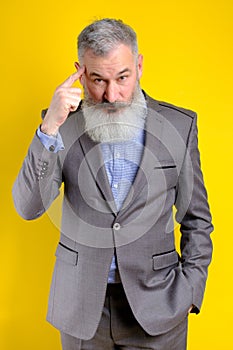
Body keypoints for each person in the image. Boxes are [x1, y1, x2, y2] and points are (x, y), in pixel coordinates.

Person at [12, 18, 213, 350]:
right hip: (81, 309)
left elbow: (197, 219)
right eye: (97, 80)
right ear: (80, 71)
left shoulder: (180, 125)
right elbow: (28, 208)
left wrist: (191, 291)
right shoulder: (62, 125)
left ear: (139, 65)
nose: (111, 94)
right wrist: (48, 129)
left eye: (122, 77)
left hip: (160, 308)